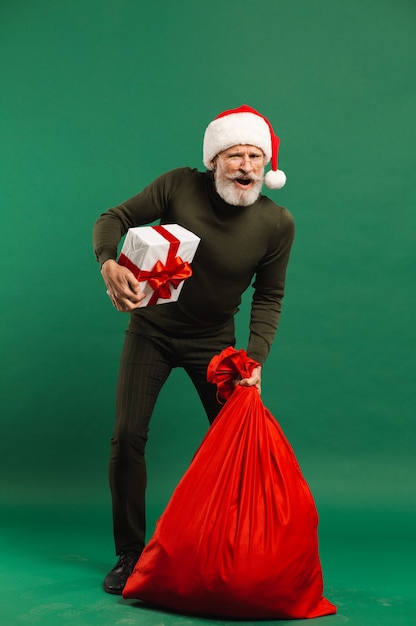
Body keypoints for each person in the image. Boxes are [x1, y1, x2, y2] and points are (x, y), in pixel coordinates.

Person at [93, 104, 295, 594]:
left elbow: (269, 295)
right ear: (214, 161)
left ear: (266, 169)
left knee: (239, 443)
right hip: (152, 332)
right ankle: (129, 553)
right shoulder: (177, 186)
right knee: (126, 436)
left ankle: (238, 549)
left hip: (215, 344)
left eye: (255, 156)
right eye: (235, 155)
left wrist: (256, 356)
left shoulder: (277, 223)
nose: (246, 165)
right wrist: (108, 262)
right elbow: (113, 217)